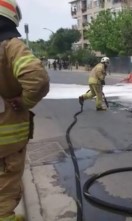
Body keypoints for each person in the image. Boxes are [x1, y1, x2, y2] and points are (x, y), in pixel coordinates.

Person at [0, 1, 50, 221]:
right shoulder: (10, 46)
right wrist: (25, 101)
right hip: (5, 142)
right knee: (5, 186)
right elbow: (36, 79)